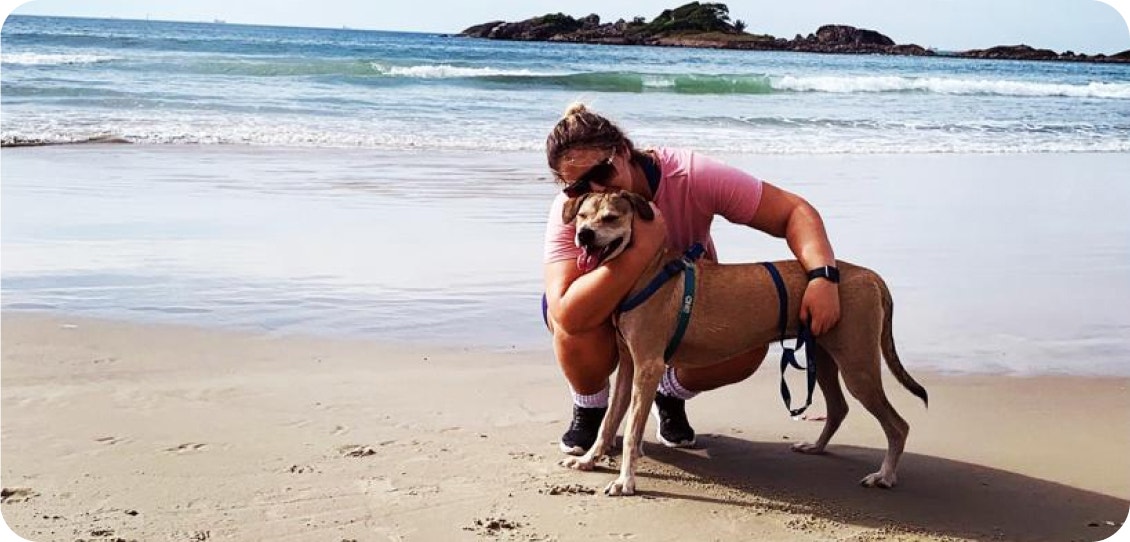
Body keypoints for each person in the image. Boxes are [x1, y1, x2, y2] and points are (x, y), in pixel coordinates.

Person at [542, 103, 841, 455]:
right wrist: (643, 250)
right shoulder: (575, 208)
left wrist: (823, 277)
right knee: (573, 328)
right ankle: (590, 407)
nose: (594, 188)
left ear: (622, 152)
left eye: (603, 173)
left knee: (748, 344)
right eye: (577, 184)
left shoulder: (689, 174)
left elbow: (794, 211)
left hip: (685, 305)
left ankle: (668, 393)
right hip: (605, 312)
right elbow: (568, 314)